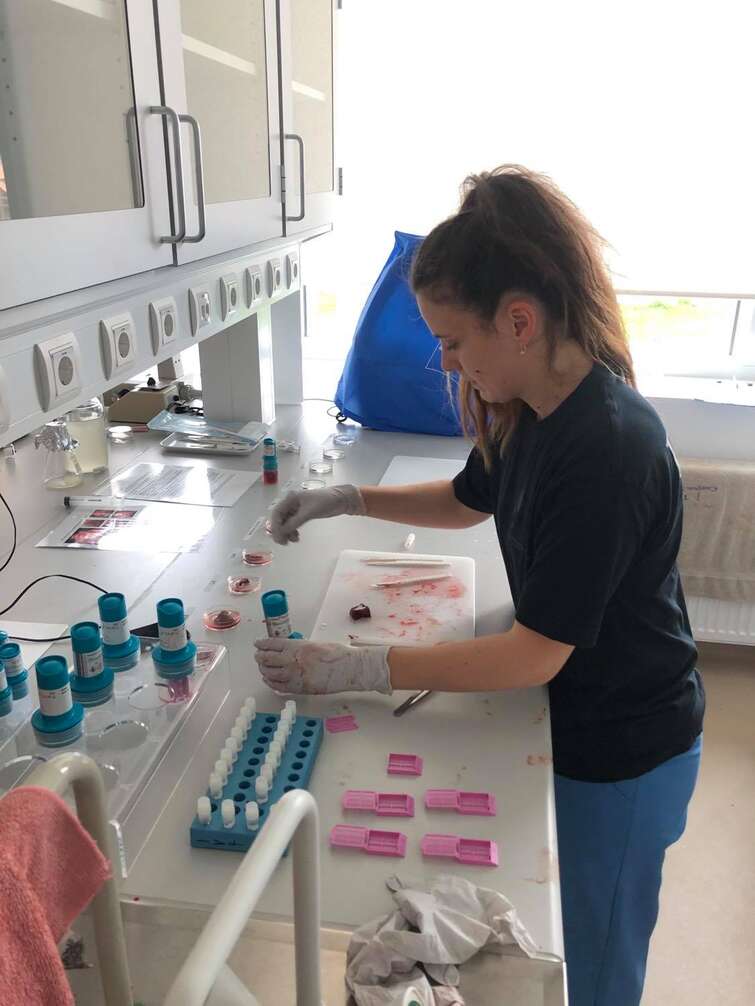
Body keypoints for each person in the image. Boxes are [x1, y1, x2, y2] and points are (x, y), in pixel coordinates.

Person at [254, 165, 705, 1006]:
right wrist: (349, 499)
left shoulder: (605, 446)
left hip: (622, 747)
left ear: (519, 321)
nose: (445, 360)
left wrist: (363, 666)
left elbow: (534, 654)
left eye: (453, 340)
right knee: (550, 939)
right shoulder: (532, 406)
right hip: (568, 714)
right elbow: (469, 498)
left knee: (590, 968)